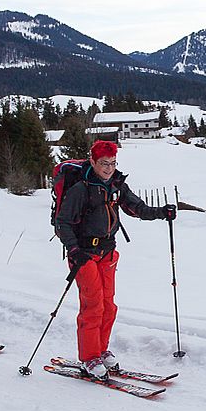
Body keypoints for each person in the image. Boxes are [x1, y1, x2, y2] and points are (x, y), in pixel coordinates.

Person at [54, 140, 175, 377]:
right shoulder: (81, 188)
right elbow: (63, 223)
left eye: (112, 163)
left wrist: (161, 212)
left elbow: (137, 208)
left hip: (108, 252)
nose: (108, 168)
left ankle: (100, 349)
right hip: (84, 254)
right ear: (93, 161)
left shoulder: (117, 185)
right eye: (103, 163)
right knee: (93, 305)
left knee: (109, 305)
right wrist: (74, 250)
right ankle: (89, 358)